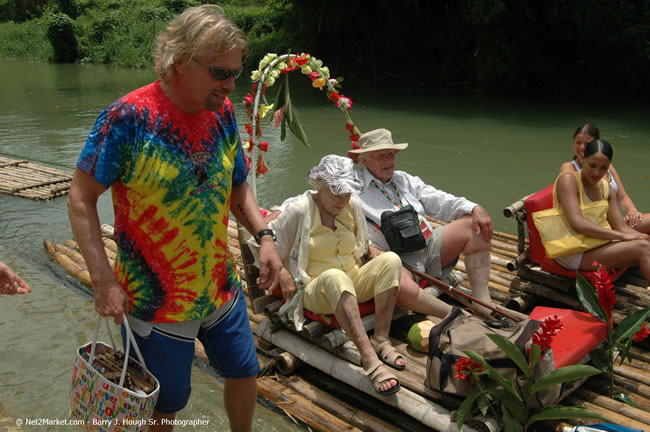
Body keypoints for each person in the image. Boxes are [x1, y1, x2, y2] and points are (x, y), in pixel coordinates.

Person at [67, 5, 282, 432]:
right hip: (156, 302)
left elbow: (238, 185)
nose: (231, 84)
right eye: (221, 73)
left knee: (245, 372)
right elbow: (80, 198)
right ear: (180, 60)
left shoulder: (220, 112)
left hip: (219, 287)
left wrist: (266, 236)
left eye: (236, 73)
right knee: (166, 406)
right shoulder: (128, 119)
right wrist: (104, 282)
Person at [251, 155, 406, 395]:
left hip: (351, 279)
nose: (343, 199)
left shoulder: (351, 206)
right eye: (337, 193)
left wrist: (371, 250)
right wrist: (281, 271)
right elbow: (262, 245)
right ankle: (370, 360)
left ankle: (381, 338)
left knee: (391, 260)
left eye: (347, 193)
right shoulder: (300, 210)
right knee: (335, 277)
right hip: (315, 287)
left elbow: (360, 245)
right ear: (319, 186)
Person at [348, 128, 495, 316]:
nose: (388, 161)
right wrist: (367, 247)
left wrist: (475, 208)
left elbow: (439, 199)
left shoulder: (404, 179)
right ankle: (453, 315)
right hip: (396, 261)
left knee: (474, 227)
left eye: (391, 155)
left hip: (429, 247)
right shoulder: (351, 186)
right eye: (380, 156)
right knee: (393, 280)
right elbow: (326, 210)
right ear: (364, 159)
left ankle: (483, 304)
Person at [554, 139, 650, 282]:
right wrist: (623, 236)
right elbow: (577, 223)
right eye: (592, 165)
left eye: (603, 168)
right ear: (582, 159)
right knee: (643, 248)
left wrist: (637, 236)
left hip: (596, 243)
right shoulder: (568, 180)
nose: (597, 172)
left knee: (645, 243)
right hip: (573, 251)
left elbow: (621, 226)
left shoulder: (605, 187)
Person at [560, 123, 649, 233]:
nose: (582, 147)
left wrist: (632, 210)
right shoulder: (569, 169)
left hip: (619, 221)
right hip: (598, 225)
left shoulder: (608, 166)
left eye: (587, 144)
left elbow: (622, 196)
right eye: (578, 143)